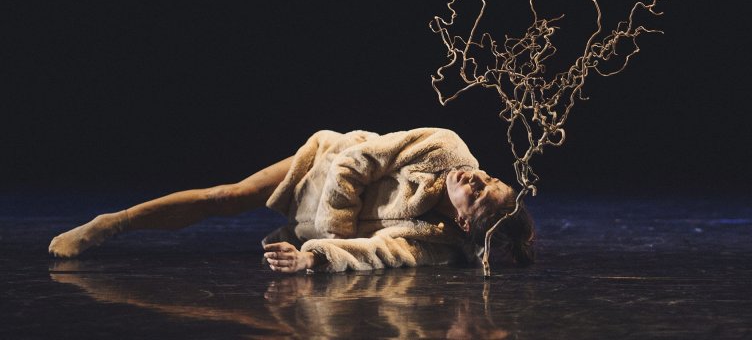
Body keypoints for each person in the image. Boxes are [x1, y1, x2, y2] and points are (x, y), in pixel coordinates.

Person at [49, 128, 535, 272]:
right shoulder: (445, 148)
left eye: (480, 191)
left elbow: (381, 253)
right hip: (321, 165)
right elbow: (354, 164)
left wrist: (314, 256)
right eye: (486, 176)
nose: (473, 176)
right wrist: (333, 231)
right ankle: (110, 222)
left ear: (468, 225)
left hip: (317, 225)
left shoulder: (439, 244)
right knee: (227, 196)